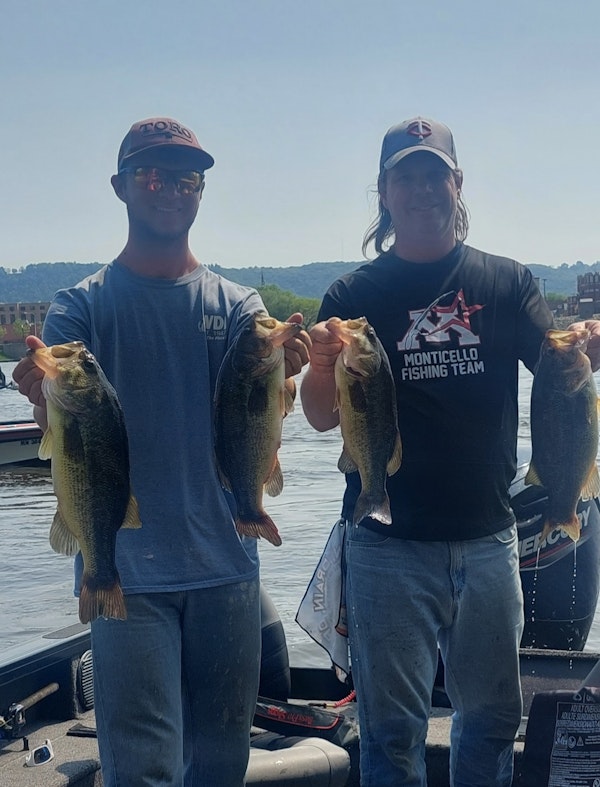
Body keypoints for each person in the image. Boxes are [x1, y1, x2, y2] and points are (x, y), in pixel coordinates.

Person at [300, 117, 600, 786]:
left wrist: (586, 342)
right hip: (384, 544)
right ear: (383, 192)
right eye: (405, 176)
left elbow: (560, 373)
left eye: (434, 174)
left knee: (490, 720)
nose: (421, 189)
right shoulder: (352, 296)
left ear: (457, 183)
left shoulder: (507, 281)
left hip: (489, 539)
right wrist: (320, 364)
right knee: (390, 731)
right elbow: (320, 417)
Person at [13, 116, 310, 787]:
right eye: (152, 174)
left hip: (228, 568)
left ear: (201, 191)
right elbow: (55, 421)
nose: (171, 188)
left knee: (221, 764)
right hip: (125, 573)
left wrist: (286, 370)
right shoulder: (79, 308)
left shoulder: (239, 305)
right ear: (120, 186)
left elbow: (265, 410)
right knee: (143, 769)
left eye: (187, 178)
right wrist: (38, 388)